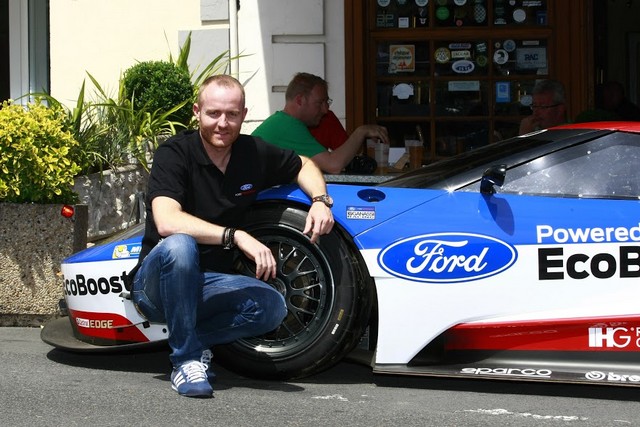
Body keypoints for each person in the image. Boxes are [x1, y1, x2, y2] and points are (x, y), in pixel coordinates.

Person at [130, 75, 335, 398]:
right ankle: (185, 361)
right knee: (181, 246)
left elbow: (304, 164)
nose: (222, 123)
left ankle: (192, 342)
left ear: (244, 114)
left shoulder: (252, 152)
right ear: (197, 112)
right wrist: (235, 236)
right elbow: (167, 221)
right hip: (156, 286)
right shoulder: (174, 153)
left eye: (232, 114)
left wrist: (320, 201)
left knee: (272, 306)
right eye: (213, 113)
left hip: (208, 284)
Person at [252, 72, 389, 174]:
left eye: (327, 102)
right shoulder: (288, 125)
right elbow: (334, 165)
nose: (325, 109)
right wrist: (361, 132)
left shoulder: (282, 121)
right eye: (320, 103)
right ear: (300, 100)